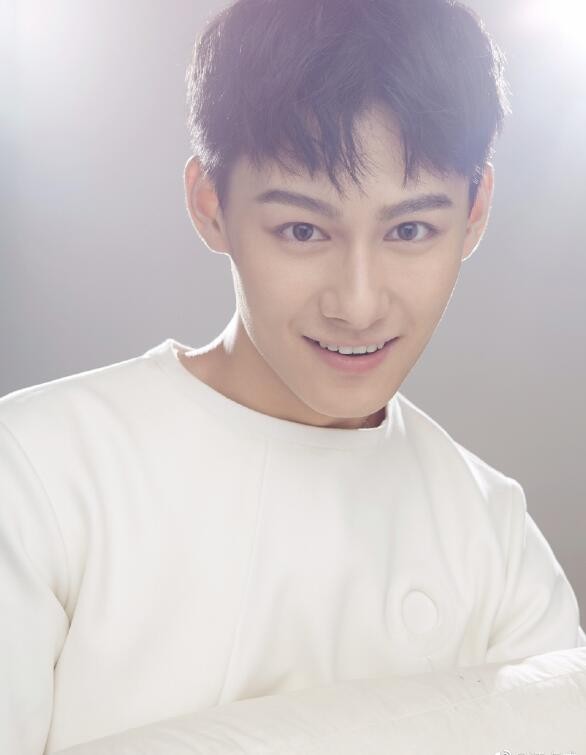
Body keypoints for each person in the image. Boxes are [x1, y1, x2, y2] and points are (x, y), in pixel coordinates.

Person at [1, 0, 584, 753]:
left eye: (410, 230)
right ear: (210, 205)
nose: (358, 303)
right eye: (303, 230)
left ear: (475, 214)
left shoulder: (492, 536)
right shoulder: (36, 473)